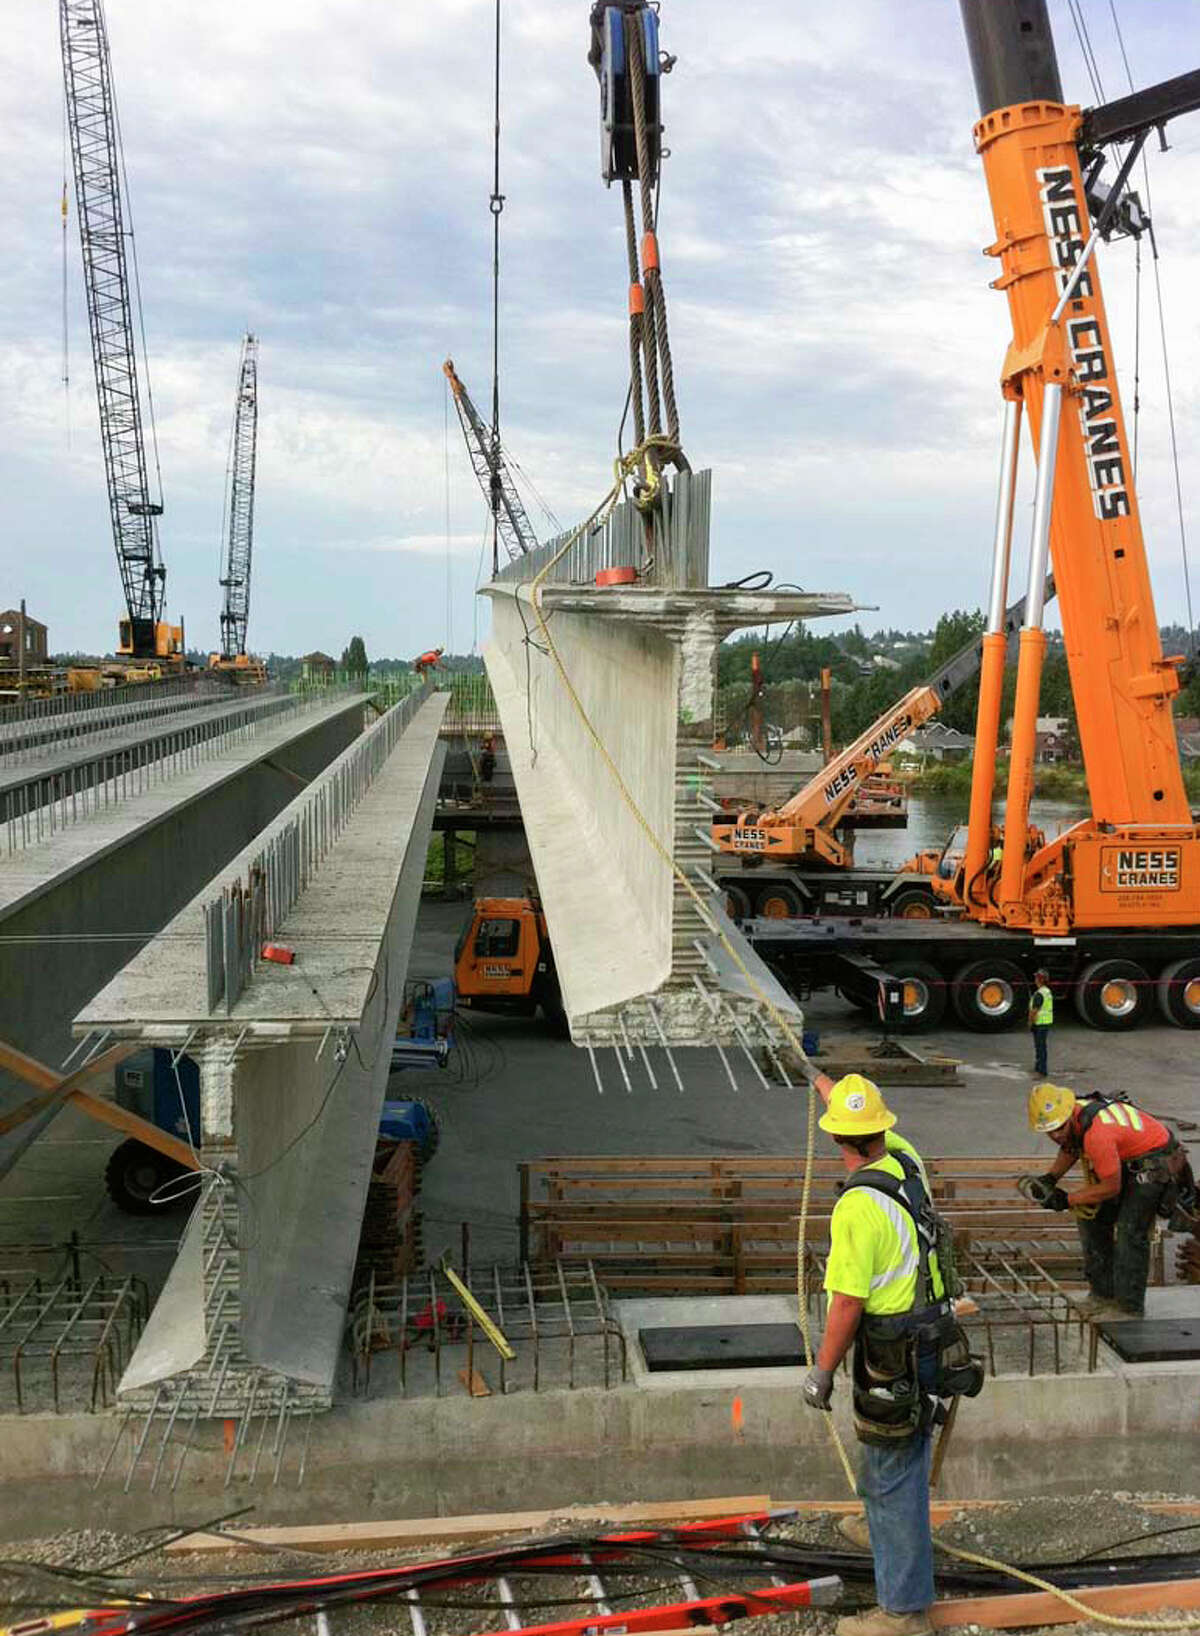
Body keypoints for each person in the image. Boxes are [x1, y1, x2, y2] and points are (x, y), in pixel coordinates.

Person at [801, 1074, 964, 1636]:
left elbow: (846, 1302)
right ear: (880, 1128)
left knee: (894, 1464)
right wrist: (824, 1081)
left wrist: (821, 1373)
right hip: (932, 1339)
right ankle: (885, 1528)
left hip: (891, 1351)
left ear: (838, 1141)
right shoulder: (906, 1161)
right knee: (893, 1456)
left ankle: (905, 1612)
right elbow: (859, 1117)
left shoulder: (855, 1207)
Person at [1025, 1082, 1191, 1318]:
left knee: (1129, 1232)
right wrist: (1051, 1178)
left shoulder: (1098, 1135)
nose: (1055, 1135)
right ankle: (1102, 1295)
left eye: (1059, 1128)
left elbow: (1110, 1188)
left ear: (1068, 1115)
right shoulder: (1076, 1114)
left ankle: (1129, 1308)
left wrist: (1068, 1199)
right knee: (1092, 1219)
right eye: (1049, 1131)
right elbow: (1070, 1145)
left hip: (1154, 1164)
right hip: (1128, 1160)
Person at [1028, 968, 1053, 1076]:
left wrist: (1030, 1022)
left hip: (1039, 1023)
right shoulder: (1047, 991)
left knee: (1040, 1048)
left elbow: (1034, 1011)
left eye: (1036, 977)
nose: (1035, 979)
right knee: (1041, 1047)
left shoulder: (1039, 994)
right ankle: (1039, 1067)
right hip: (1045, 1023)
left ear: (1039, 980)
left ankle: (1042, 1071)